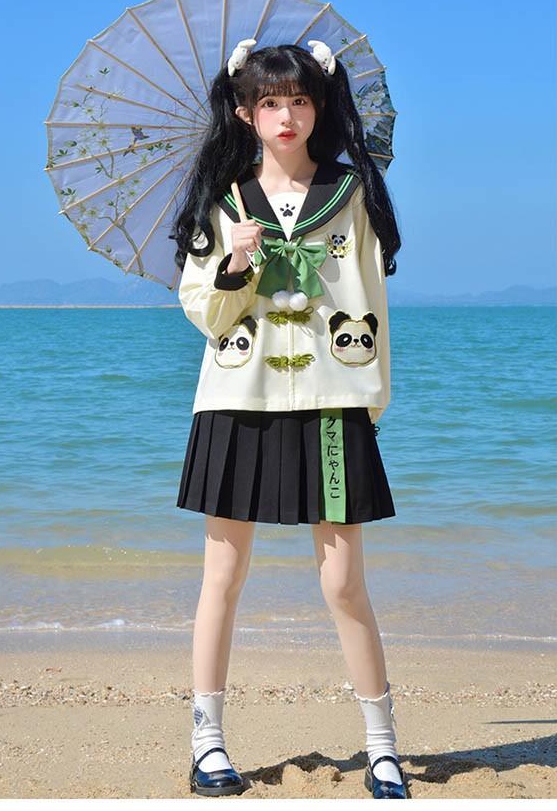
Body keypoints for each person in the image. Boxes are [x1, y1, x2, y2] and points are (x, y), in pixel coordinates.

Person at [169, 39, 408, 799]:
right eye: (269, 102)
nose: (285, 115)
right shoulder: (223, 201)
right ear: (245, 112)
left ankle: (382, 747)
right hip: (236, 401)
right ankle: (207, 741)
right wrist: (234, 264)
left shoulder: (350, 194)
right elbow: (204, 312)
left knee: (343, 583)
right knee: (223, 575)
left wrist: (369, 404)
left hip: (333, 402)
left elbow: (371, 305)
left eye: (299, 100)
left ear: (319, 107)